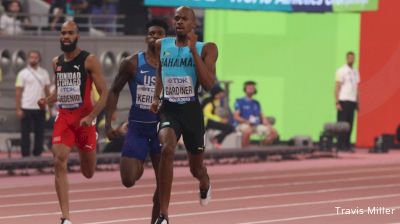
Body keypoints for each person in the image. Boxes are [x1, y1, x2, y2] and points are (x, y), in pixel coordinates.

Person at [150, 6, 217, 224]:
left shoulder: (207, 48)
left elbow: (208, 84)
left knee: (195, 168)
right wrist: (156, 96)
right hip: (169, 109)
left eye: (184, 19)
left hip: (191, 111)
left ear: (193, 24)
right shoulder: (162, 45)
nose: (179, 22)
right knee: (167, 148)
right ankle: (164, 215)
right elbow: (160, 71)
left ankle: (204, 181)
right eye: (176, 18)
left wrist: (193, 51)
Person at [38, 21, 108, 224]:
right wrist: (47, 100)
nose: (65, 36)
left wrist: (92, 117)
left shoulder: (89, 61)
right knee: (58, 159)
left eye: (70, 33)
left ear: (77, 36)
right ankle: (65, 218)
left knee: (88, 172)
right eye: (63, 33)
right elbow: (60, 90)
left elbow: (104, 93)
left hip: (85, 120)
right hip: (65, 117)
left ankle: (89, 139)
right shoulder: (56, 62)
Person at [105, 19, 168, 224]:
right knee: (128, 180)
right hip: (138, 128)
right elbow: (114, 90)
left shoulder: (171, 65)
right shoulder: (132, 63)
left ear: (165, 38)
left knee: (163, 185)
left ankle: (158, 219)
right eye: (151, 33)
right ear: (146, 37)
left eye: (159, 33)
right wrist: (108, 125)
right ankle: (141, 161)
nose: (155, 37)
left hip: (162, 130)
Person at [15, 50, 51, 157]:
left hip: (40, 108)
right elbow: (18, 92)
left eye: (35, 57)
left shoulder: (44, 73)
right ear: (28, 59)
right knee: (25, 134)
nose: (33, 59)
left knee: (39, 133)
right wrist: (18, 109)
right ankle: (25, 156)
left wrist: (49, 104)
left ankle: (37, 155)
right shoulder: (22, 74)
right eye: (31, 57)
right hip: (26, 107)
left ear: (39, 59)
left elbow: (47, 90)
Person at [234, 81, 278, 147]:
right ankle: (244, 152)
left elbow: (262, 116)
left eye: (252, 88)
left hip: (255, 125)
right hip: (243, 124)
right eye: (249, 87)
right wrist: (246, 122)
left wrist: (268, 125)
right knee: (248, 131)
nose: (251, 89)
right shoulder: (239, 101)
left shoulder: (256, 103)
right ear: (245, 89)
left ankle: (261, 148)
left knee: (274, 132)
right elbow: (236, 117)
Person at [335, 51, 360, 152]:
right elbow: (337, 87)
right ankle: (340, 145)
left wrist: (358, 103)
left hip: (352, 101)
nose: (351, 59)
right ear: (346, 58)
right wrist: (337, 102)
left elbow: (357, 88)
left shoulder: (355, 72)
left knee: (350, 124)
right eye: (349, 58)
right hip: (343, 100)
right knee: (342, 125)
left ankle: (347, 145)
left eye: (352, 58)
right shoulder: (341, 70)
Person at [202, 85, 235, 149]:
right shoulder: (210, 102)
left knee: (231, 128)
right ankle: (216, 140)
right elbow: (206, 114)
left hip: (214, 120)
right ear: (216, 94)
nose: (222, 94)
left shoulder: (219, 101)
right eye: (221, 93)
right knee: (229, 127)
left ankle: (216, 139)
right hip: (207, 122)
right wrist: (220, 120)